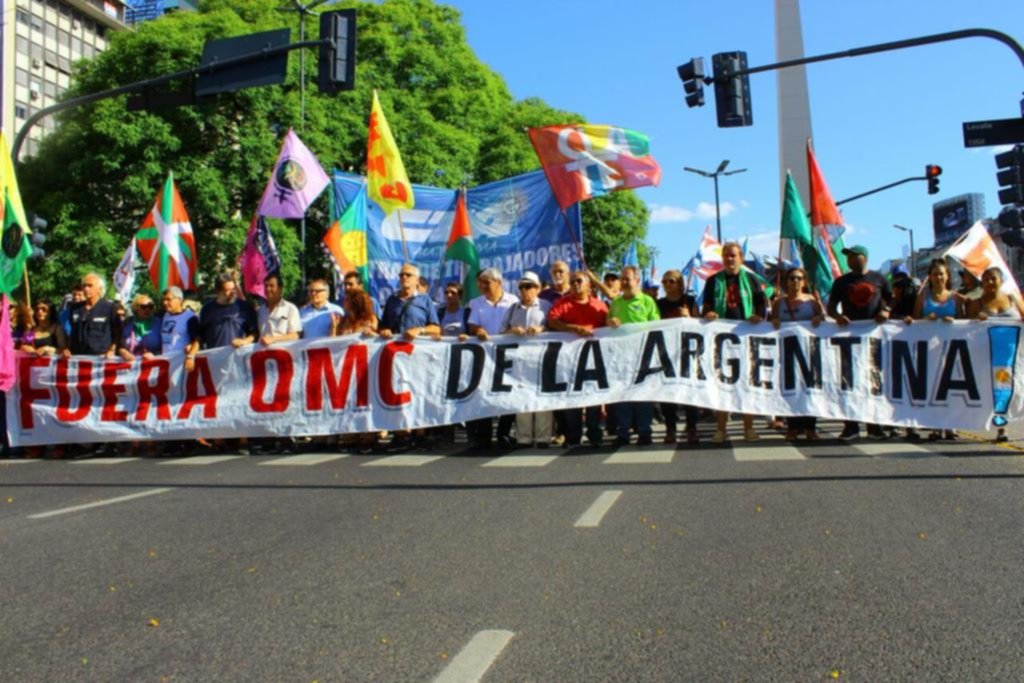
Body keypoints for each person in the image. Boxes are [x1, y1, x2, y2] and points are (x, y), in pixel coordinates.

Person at [702, 242, 768, 442]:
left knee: (746, 384)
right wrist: (709, 313)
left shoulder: (752, 279)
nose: (730, 259)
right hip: (721, 340)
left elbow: (761, 304)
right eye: (726, 255)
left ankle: (748, 429)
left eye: (733, 255)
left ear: (741, 257)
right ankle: (721, 429)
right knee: (721, 384)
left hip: (746, 338)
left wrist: (758, 316)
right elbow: (706, 306)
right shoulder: (713, 281)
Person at [827, 245, 893, 441]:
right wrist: (837, 317)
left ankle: (875, 426)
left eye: (854, 256)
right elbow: (831, 306)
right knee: (850, 382)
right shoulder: (841, 282)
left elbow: (891, 300)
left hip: (874, 338)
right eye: (848, 257)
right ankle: (851, 426)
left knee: (874, 381)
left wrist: (886, 311)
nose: (849, 259)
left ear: (864, 257)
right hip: (849, 339)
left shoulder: (879, 279)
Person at [379, 264, 441, 450]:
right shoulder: (392, 301)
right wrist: (385, 331)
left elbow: (436, 328)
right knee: (398, 393)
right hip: (397, 356)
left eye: (408, 275)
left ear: (416, 279)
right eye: (401, 275)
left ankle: (420, 433)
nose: (404, 277)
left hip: (418, 356)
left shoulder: (425, 300)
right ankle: (401, 434)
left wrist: (419, 330)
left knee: (419, 392)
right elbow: (382, 326)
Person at [547, 270, 608, 447]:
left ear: (589, 285)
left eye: (579, 281)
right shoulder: (562, 303)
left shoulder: (599, 306)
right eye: (572, 281)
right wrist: (573, 328)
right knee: (572, 399)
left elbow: (609, 327)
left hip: (594, 360)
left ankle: (594, 433)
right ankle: (573, 436)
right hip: (570, 360)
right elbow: (552, 322)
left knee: (594, 399)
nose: (575, 284)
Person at [199, 273, 258, 455]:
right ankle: (220, 439)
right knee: (217, 401)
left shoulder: (244, 307)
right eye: (228, 290)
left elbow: (254, 334)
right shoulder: (207, 310)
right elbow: (200, 336)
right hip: (215, 363)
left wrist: (244, 341)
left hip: (239, 362)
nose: (232, 293)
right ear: (218, 291)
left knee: (240, 398)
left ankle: (243, 439)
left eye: (234, 289)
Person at [464, 267, 519, 448]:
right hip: (485, 356)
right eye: (481, 283)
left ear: (499, 283)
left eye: (487, 282)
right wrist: (478, 330)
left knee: (508, 395)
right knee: (485, 394)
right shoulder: (476, 303)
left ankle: (503, 433)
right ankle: (484, 436)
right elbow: (472, 325)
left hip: (509, 354)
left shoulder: (513, 301)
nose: (483, 286)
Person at [608, 265, 661, 446]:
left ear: (637, 281)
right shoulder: (615, 303)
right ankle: (623, 433)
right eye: (621, 279)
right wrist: (610, 322)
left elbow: (657, 326)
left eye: (627, 279)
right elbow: (607, 325)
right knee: (622, 395)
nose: (623, 282)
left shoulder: (647, 301)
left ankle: (644, 432)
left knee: (643, 396)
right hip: (621, 358)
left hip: (643, 356)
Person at [913, 259, 965, 441]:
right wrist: (925, 318)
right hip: (929, 351)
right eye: (934, 274)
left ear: (947, 275)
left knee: (950, 389)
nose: (938, 277)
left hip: (952, 351)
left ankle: (951, 426)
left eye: (941, 273)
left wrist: (955, 321)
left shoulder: (956, 298)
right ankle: (935, 426)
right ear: (930, 277)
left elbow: (966, 322)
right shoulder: (922, 297)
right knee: (932, 388)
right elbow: (912, 323)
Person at [771, 267, 824, 440]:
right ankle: (792, 426)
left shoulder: (812, 301)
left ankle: (810, 427)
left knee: (809, 389)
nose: (795, 281)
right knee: (791, 389)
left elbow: (824, 321)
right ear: (786, 281)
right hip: (787, 353)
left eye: (799, 278)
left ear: (804, 281)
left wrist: (819, 318)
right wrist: (774, 320)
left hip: (809, 353)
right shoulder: (779, 303)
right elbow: (769, 324)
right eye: (792, 278)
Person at [500, 272, 552, 447]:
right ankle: (524, 437)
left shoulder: (546, 306)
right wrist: (512, 330)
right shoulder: (513, 308)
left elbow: (555, 329)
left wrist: (541, 329)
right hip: (519, 360)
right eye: (522, 287)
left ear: (537, 288)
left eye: (529, 286)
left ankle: (543, 437)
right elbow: (501, 332)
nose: (525, 290)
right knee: (522, 396)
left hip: (541, 358)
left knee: (543, 397)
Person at [657, 269, 701, 444]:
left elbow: (700, 325)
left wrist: (689, 317)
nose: (668, 284)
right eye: (665, 281)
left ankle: (692, 428)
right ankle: (670, 429)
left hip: (687, 352)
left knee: (689, 392)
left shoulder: (689, 301)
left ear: (680, 283)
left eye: (672, 281)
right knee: (668, 393)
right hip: (666, 352)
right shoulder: (659, 303)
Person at [65, 273, 121, 359]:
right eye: (84, 286)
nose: (86, 289)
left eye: (90, 286)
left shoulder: (110, 308)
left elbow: (118, 332)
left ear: (99, 289)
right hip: (77, 357)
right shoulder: (75, 308)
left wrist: (112, 349)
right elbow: (72, 333)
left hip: (100, 359)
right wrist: (67, 349)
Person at [257, 273, 302, 346]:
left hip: (284, 352)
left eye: (271, 286)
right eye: (266, 286)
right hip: (264, 354)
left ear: (280, 289)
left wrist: (274, 339)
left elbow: (296, 335)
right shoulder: (260, 310)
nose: (268, 289)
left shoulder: (290, 309)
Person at [118, 294, 162, 360]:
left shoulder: (159, 323)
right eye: (143, 307)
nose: (147, 309)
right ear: (136, 308)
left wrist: (155, 355)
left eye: (150, 306)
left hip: (152, 364)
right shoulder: (128, 322)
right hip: (130, 364)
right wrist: (122, 351)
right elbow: (119, 344)